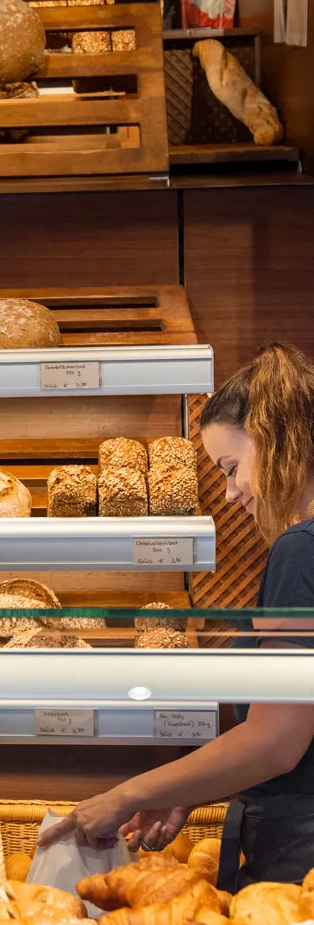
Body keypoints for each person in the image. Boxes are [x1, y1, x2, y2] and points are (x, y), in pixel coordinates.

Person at [39, 343, 314, 889]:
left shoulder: (302, 550)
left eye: (233, 469)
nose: (233, 494)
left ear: (279, 439)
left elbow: (277, 740)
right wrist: (182, 790)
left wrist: (126, 796)